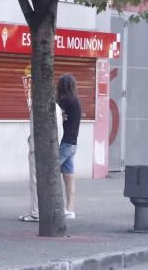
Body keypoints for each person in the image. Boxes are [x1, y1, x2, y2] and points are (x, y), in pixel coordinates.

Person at [57, 74, 82, 219]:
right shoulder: (75, 101)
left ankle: (54, 207)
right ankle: (70, 209)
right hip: (73, 143)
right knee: (69, 177)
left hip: (64, 143)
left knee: (51, 172)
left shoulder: (64, 102)